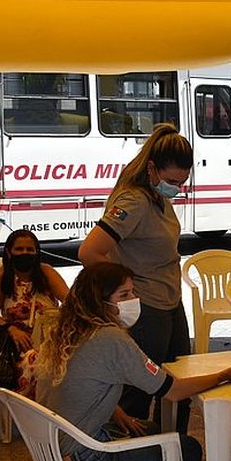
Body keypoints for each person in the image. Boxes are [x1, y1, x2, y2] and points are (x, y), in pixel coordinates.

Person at [35, 263, 231, 461]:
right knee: (186, 449)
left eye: (133, 292)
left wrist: (116, 411)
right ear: (100, 302)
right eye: (124, 295)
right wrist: (222, 375)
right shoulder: (110, 339)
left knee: (150, 430)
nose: (134, 299)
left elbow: (77, 385)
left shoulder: (68, 332)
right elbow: (172, 391)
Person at [78, 123, 194, 432]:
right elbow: (90, 253)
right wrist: (125, 294)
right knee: (140, 394)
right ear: (153, 169)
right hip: (147, 311)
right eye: (171, 181)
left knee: (178, 390)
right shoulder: (133, 201)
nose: (176, 188)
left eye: (181, 182)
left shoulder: (158, 197)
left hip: (169, 304)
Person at [0, 229, 69, 391]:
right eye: (19, 249)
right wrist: (11, 329)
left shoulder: (46, 273)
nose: (25, 253)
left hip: (50, 336)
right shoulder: (1, 276)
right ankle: (27, 409)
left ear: (37, 252)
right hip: (18, 339)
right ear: (9, 252)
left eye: (30, 250)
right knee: (31, 362)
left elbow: (70, 302)